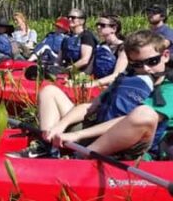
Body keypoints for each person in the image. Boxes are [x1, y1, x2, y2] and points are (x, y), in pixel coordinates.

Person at [12, 30, 166, 159]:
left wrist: (77, 135)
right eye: (137, 64)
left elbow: (131, 120)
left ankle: (81, 158)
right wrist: (61, 126)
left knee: (145, 114)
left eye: (152, 61)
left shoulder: (169, 88)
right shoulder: (128, 77)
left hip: (128, 146)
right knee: (49, 92)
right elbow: (91, 106)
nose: (145, 68)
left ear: (165, 56)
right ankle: (48, 145)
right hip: (97, 132)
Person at [84, 14, 126, 88]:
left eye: (102, 25)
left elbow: (116, 75)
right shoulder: (100, 46)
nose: (98, 27)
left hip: (113, 86)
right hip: (97, 83)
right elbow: (88, 71)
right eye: (97, 24)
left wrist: (92, 84)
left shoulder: (123, 47)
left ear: (114, 28)